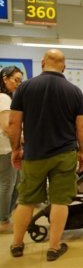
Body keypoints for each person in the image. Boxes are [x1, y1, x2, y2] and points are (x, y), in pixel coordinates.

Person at [8, 49, 83, 261]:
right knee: (60, 201)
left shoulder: (24, 88)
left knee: (26, 200)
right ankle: (54, 248)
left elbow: (13, 123)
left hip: (34, 154)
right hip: (64, 155)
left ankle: (17, 245)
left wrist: (16, 149)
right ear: (64, 66)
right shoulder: (74, 91)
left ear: (43, 62)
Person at [0, 66, 23, 233]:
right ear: (4, 78)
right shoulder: (3, 98)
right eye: (15, 79)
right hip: (5, 147)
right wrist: (19, 142)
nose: (18, 84)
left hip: (7, 146)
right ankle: (3, 220)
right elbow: (7, 127)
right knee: (7, 184)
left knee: (15, 183)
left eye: (20, 81)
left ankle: (5, 214)